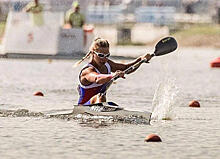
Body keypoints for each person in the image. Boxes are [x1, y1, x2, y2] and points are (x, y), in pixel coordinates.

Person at [76, 38, 152, 105]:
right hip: (84, 106)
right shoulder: (87, 71)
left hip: (100, 104)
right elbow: (97, 79)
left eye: (107, 55)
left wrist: (140, 60)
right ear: (93, 53)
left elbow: (126, 68)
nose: (104, 59)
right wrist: (113, 76)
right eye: (101, 55)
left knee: (103, 98)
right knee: (100, 96)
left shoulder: (107, 64)